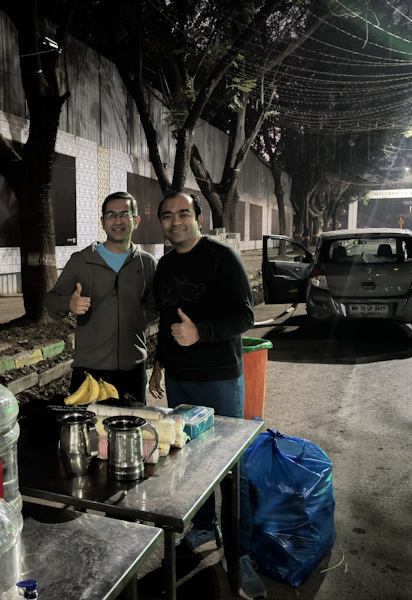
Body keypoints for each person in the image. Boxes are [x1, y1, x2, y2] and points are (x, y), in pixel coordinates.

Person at [148, 191, 265, 599]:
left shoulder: (222, 257)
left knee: (233, 470)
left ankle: (241, 553)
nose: (175, 221)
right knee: (188, 462)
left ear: (198, 217)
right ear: (161, 223)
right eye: (167, 216)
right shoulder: (164, 265)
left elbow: (246, 314)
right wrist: (159, 362)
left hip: (218, 378)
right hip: (179, 379)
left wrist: (202, 331)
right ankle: (201, 530)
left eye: (183, 214)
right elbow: (166, 319)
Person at [45, 191, 157, 406]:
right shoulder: (82, 261)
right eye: (111, 215)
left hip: (133, 369)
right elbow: (51, 301)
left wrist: (134, 318)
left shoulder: (147, 263)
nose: (118, 221)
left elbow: (153, 307)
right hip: (90, 371)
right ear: (103, 222)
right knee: (88, 436)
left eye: (124, 214)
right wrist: (68, 304)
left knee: (131, 433)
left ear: (136, 220)